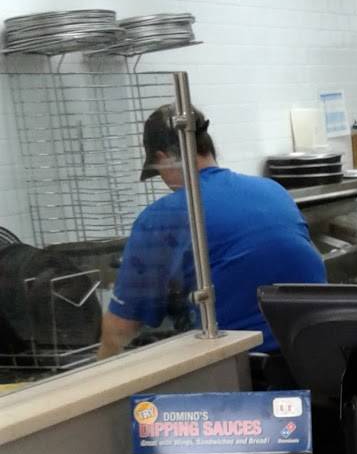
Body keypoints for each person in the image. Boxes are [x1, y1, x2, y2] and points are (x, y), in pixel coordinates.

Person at [99, 105, 326, 358]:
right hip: (317, 351)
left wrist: (101, 370)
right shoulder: (272, 189)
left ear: (164, 158)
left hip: (245, 364)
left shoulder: (163, 216)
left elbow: (120, 330)